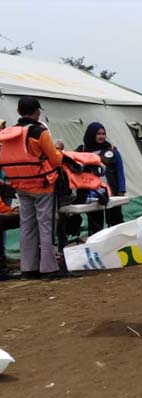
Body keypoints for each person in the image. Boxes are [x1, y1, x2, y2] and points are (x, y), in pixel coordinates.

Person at [0, 97, 64, 279]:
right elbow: (55, 160)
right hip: (42, 186)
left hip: (20, 186)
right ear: (37, 112)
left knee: (27, 226)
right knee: (45, 225)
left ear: (19, 112)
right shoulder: (39, 132)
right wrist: (59, 149)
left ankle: (28, 268)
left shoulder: (9, 133)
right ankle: (49, 268)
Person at [76, 122, 126, 234]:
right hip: (92, 193)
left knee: (115, 220)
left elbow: (119, 170)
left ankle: (117, 244)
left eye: (103, 133)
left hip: (111, 191)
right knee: (95, 224)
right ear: (91, 134)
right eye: (98, 133)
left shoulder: (112, 150)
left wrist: (121, 190)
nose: (101, 136)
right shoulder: (82, 151)